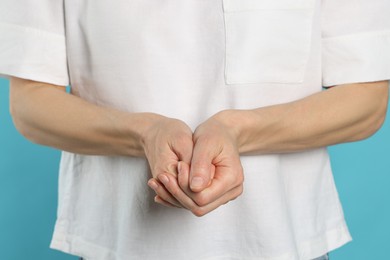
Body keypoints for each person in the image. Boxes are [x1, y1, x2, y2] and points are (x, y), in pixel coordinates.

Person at [0, 1, 389, 259]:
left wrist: (239, 130)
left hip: (285, 242)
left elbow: (367, 100)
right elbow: (31, 103)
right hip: (117, 244)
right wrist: (143, 132)